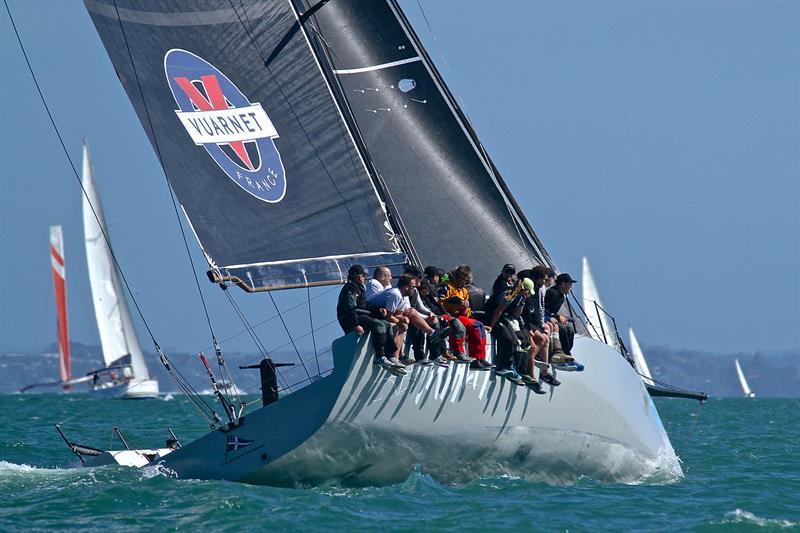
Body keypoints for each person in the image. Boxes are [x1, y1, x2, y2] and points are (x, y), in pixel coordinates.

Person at [370, 274, 449, 367]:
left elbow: (401, 312)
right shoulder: (395, 294)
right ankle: (432, 334)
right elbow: (388, 315)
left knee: (406, 322)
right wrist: (401, 320)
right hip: (373, 313)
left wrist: (405, 319)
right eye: (413, 286)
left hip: (385, 314)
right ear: (406, 287)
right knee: (400, 324)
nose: (415, 289)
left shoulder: (404, 295)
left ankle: (395, 359)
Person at [484, 276, 546, 393]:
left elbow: (516, 314)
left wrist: (522, 302)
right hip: (491, 317)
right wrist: (491, 326)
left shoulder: (518, 296)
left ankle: (521, 370)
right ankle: (504, 366)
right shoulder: (509, 294)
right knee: (509, 339)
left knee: (525, 342)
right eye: (528, 292)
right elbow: (498, 311)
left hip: (504, 318)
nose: (529, 295)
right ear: (523, 289)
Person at [337, 264, 402, 370]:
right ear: (359, 277)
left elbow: (365, 305)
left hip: (360, 315)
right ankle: (380, 356)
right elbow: (351, 307)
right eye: (364, 277)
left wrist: (378, 311)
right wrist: (356, 325)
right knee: (379, 324)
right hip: (350, 318)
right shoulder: (351, 288)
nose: (364, 279)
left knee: (387, 324)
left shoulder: (359, 287)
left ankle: (391, 356)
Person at [439, 265, 492, 370]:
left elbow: (466, 313)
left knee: (480, 325)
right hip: (447, 314)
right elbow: (441, 303)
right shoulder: (446, 285)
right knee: (475, 325)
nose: (462, 282)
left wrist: (464, 307)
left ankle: (479, 358)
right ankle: (464, 354)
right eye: (460, 279)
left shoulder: (464, 291)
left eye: (464, 280)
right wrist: (456, 303)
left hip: (459, 315)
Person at [521, 266, 561, 386]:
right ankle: (530, 370)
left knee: (545, 338)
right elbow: (532, 308)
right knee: (538, 341)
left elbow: (539, 307)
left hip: (530, 320)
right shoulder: (535, 288)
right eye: (544, 279)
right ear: (539, 278)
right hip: (525, 321)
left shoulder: (539, 287)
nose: (546, 281)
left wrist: (540, 325)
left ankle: (544, 372)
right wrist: (535, 326)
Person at [545, 273, 582, 364]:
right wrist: (557, 317)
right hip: (545, 318)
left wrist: (561, 317)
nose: (571, 287)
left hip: (552, 317)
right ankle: (562, 355)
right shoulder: (552, 293)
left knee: (570, 329)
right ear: (563, 284)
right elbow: (544, 309)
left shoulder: (561, 297)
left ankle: (566, 354)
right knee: (563, 330)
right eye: (570, 284)